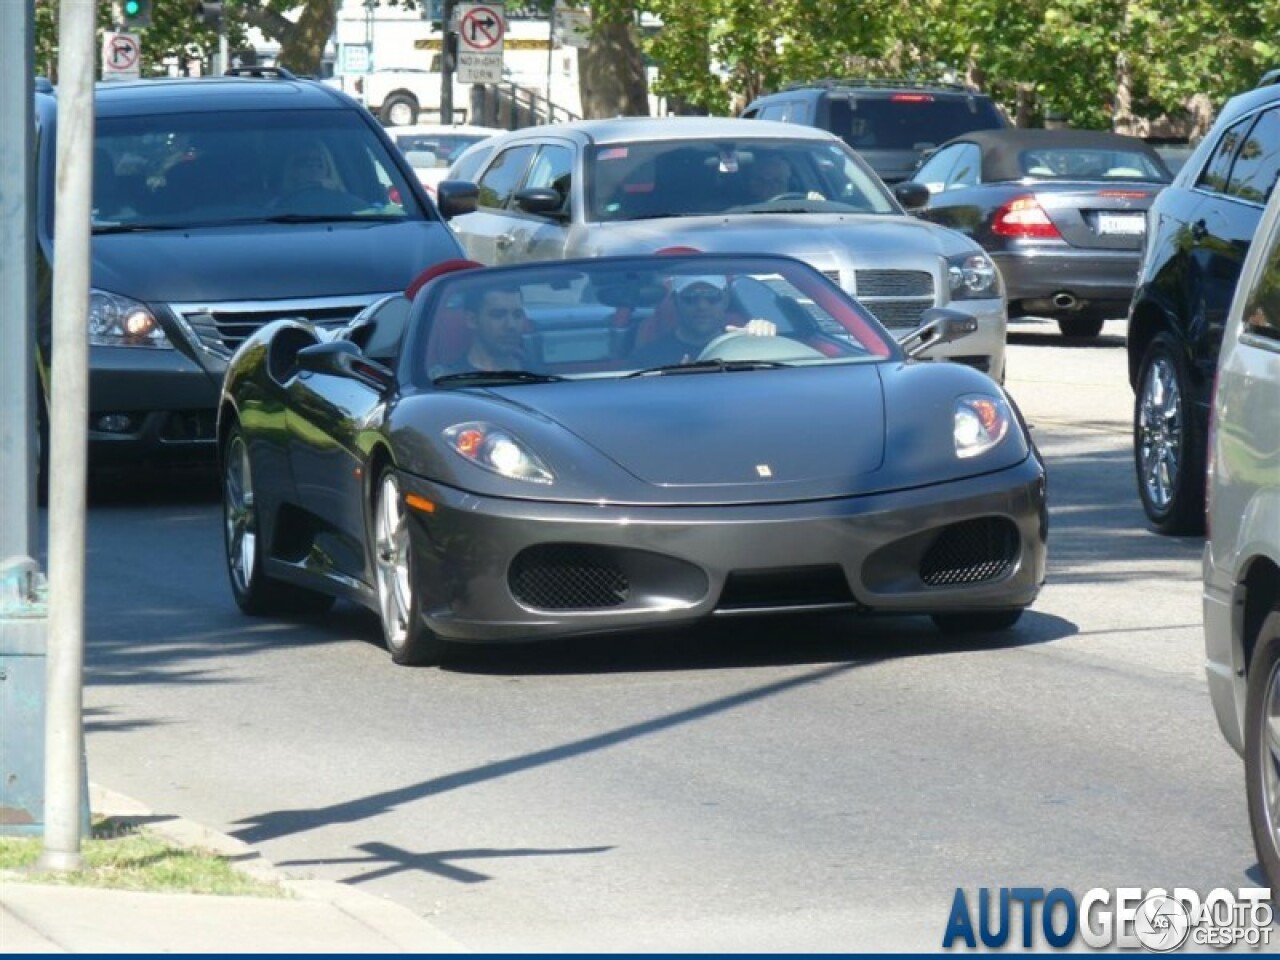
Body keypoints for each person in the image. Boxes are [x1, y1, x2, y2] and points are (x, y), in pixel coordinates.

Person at [629, 275, 777, 368]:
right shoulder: (648, 359)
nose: (702, 306)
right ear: (675, 301)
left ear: (725, 299)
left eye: (711, 296)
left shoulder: (749, 347)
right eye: (691, 297)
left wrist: (764, 339)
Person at [437, 286, 528, 375]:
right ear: (472, 320)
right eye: (498, 315)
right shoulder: (452, 380)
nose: (511, 325)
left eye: (517, 315)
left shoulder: (537, 370)